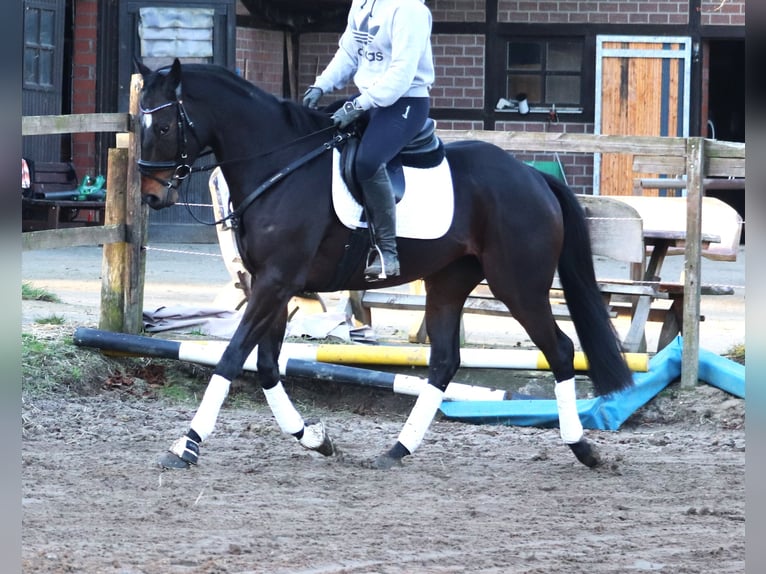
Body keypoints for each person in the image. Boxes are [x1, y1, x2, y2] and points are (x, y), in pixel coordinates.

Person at [302, 0, 435, 281]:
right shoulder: (362, 3)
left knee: (368, 161)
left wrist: (358, 105)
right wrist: (321, 84)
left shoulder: (409, 9)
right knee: (317, 136)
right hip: (369, 100)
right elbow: (349, 54)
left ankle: (388, 253)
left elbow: (402, 72)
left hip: (405, 101)